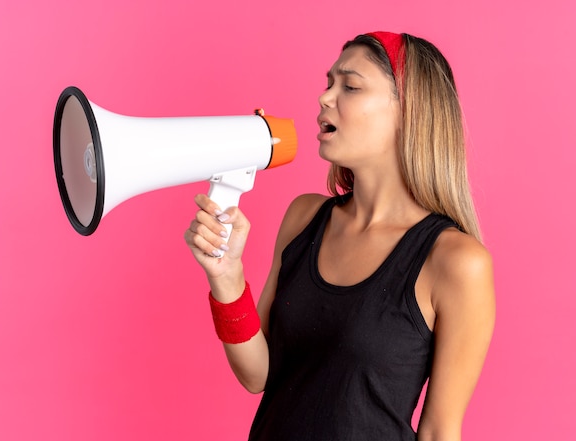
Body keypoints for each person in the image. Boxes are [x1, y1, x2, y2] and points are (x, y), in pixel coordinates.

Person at [184, 31, 495, 441]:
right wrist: (226, 278)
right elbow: (260, 374)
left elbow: (439, 431)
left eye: (350, 86)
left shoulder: (456, 262)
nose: (325, 98)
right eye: (329, 83)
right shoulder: (305, 217)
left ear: (410, 112)